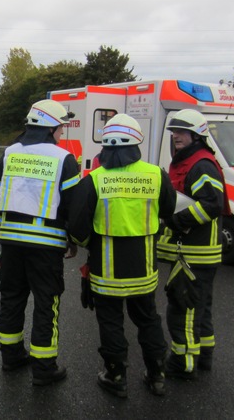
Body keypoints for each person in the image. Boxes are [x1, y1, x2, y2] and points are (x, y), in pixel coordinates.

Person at [69, 114, 176, 398]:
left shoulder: (94, 180)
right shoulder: (156, 175)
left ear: (104, 146)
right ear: (136, 143)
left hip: (106, 271)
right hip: (144, 270)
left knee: (111, 321)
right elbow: (166, 211)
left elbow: (77, 227)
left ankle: (116, 376)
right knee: (148, 319)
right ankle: (157, 375)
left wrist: (87, 243)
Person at [0, 99, 80, 386]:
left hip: (12, 241)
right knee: (46, 303)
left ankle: (11, 357)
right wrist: (73, 239)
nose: (62, 133)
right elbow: (74, 207)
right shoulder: (63, 159)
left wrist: (5, 235)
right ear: (51, 127)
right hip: (47, 245)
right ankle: (44, 368)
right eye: (61, 128)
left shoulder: (9, 154)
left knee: (12, 298)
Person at [156, 109, 229, 379]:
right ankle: (204, 356)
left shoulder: (201, 165)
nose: (176, 136)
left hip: (196, 252)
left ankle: (182, 362)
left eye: (182, 132)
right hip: (197, 253)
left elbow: (212, 205)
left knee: (183, 308)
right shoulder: (191, 161)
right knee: (200, 308)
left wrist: (177, 221)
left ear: (197, 135)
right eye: (174, 131)